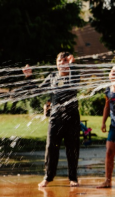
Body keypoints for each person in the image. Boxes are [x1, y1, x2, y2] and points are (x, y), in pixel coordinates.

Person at [23, 52, 82, 187]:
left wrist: (72, 65)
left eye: (65, 61)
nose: (62, 64)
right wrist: (29, 77)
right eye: (59, 61)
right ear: (56, 63)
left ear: (69, 63)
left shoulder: (74, 75)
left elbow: (74, 74)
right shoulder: (52, 77)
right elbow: (38, 91)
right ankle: (48, 177)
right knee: (51, 148)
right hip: (56, 118)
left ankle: (73, 178)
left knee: (72, 149)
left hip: (72, 118)